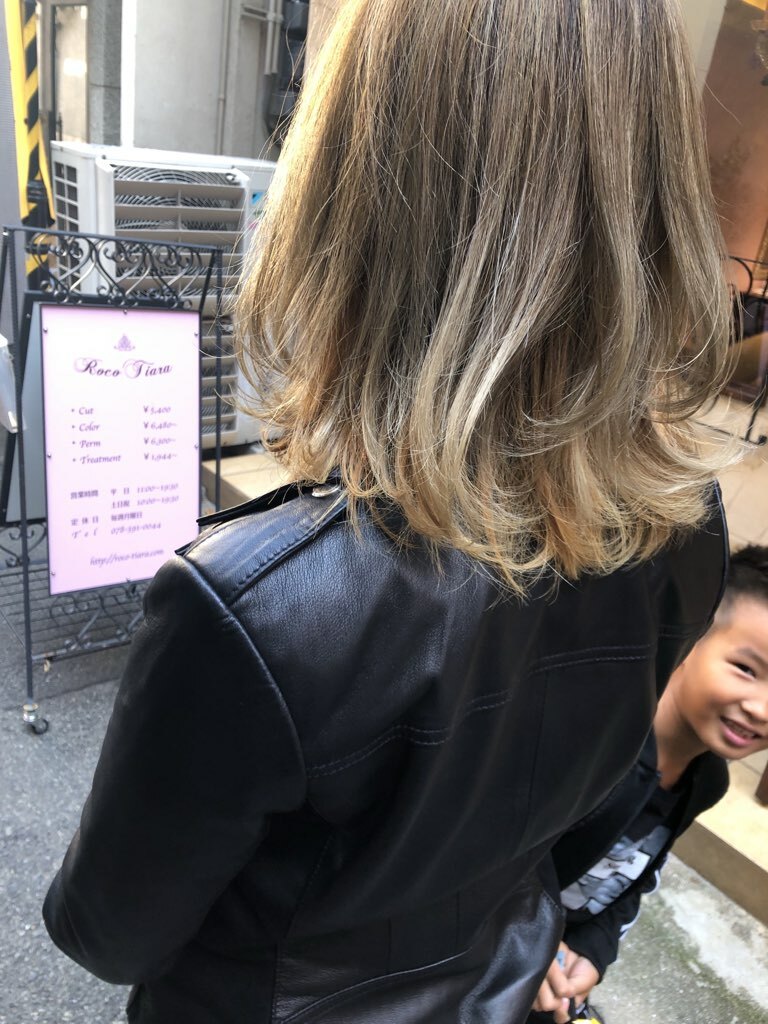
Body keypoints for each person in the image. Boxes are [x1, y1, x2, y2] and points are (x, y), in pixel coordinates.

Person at [43, 2, 734, 1022]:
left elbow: (107, 931)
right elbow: (586, 813)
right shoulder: (685, 527)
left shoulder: (258, 606)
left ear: (351, 195)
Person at [530, 545, 768, 1024]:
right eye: (746, 669)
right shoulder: (593, 734)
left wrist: (593, 952)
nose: (761, 709)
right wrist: (524, 944)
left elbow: (634, 876)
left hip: (551, 967)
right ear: (689, 637)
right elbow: (487, 852)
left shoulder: (707, 782)